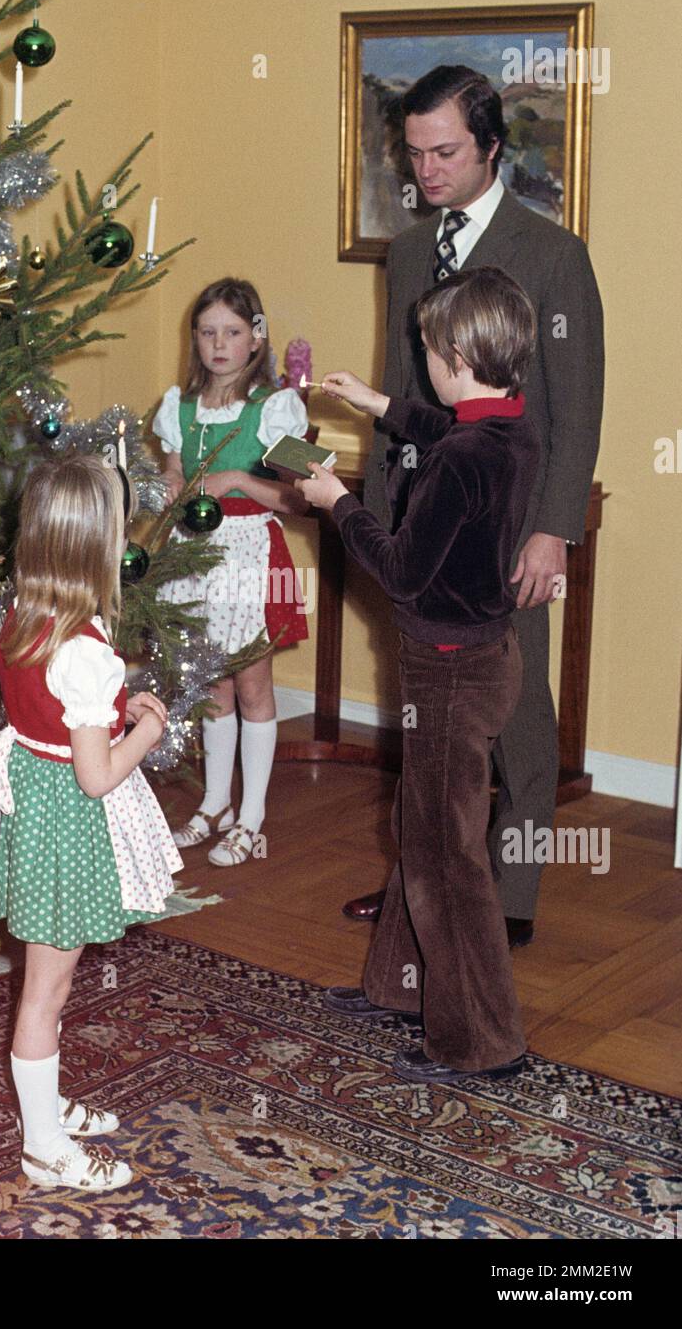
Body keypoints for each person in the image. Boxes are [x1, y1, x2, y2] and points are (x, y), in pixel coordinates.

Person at [342, 63, 604, 955]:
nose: (426, 170)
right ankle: (423, 885)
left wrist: (552, 530)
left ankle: (512, 889)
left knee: (515, 713)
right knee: (429, 718)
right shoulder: (410, 251)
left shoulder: (553, 256)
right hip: (420, 524)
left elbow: (576, 408)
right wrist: (375, 507)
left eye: (444, 151)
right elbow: (397, 387)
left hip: (506, 526)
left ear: (491, 146)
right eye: (413, 153)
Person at [296, 266, 539, 1081]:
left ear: (456, 355)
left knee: (445, 854)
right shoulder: (509, 430)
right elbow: (452, 432)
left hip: (445, 671)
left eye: (430, 350)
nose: (425, 362)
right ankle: (401, 984)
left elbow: (398, 569)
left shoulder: (461, 460)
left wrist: (336, 499)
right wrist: (377, 406)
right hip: (479, 659)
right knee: (424, 825)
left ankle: (480, 1040)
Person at [0, 453, 183, 1190]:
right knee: (46, 991)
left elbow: (55, 720)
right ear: (99, 545)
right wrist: (148, 729)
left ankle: (44, 1107)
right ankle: (44, 1148)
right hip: (64, 817)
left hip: (35, 801)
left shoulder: (24, 616)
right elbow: (97, 775)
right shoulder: (86, 652)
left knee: (43, 984)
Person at [153, 277, 311, 867]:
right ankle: (215, 804)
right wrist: (169, 484)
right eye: (207, 332)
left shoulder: (276, 409)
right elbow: (173, 471)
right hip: (193, 556)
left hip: (250, 556)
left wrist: (242, 480)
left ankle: (252, 818)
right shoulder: (180, 408)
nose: (218, 344)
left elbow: (303, 498)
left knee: (251, 686)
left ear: (256, 339)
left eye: (233, 332)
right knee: (210, 686)